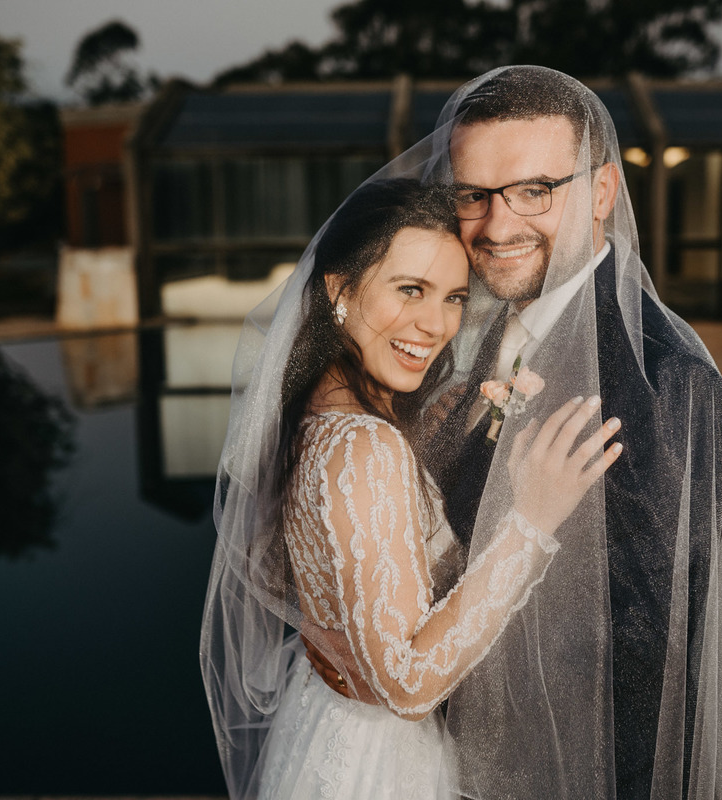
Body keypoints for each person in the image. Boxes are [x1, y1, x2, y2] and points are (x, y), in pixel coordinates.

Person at [307, 66, 722, 799]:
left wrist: (402, 679)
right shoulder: (483, 326)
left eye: (535, 191)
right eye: (474, 195)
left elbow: (645, 664)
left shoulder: (665, 380)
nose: (498, 227)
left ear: (600, 192)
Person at [200, 177, 623, 799]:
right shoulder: (363, 447)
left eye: (454, 297)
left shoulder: (313, 413)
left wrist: (337, 640)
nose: (435, 324)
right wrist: (531, 522)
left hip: (322, 722)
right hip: (382, 762)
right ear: (340, 289)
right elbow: (407, 684)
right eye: (410, 290)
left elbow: (272, 562)